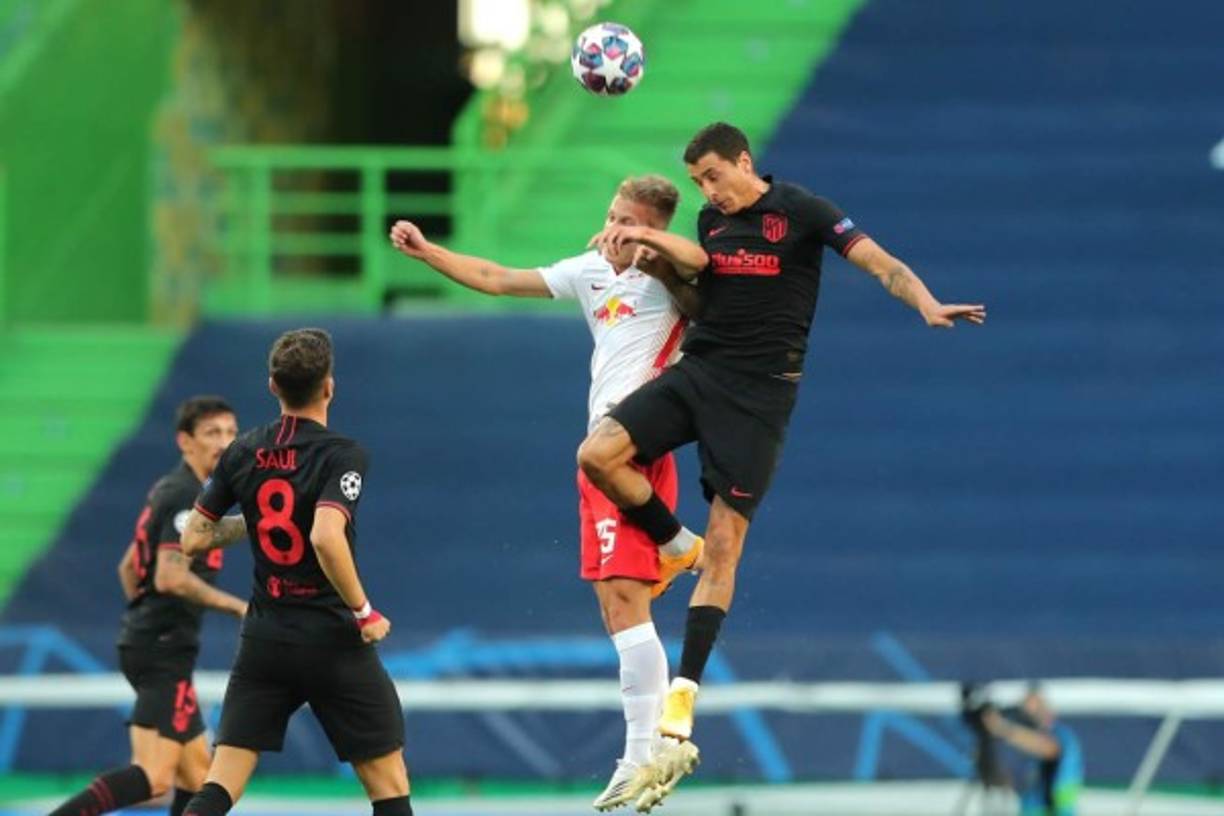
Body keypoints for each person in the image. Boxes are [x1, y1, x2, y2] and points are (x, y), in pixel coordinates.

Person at [577, 122, 987, 786]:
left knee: (729, 544)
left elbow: (880, 262)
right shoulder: (710, 225)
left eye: (713, 176)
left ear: (744, 162)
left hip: (760, 399)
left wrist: (925, 301)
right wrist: (658, 261)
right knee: (597, 453)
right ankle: (673, 545)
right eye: (697, 184)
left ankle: (683, 696)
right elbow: (697, 297)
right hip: (701, 371)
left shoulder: (801, 210)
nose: (709, 193)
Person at [389, 174, 704, 812]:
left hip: (633, 444)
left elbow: (704, 309)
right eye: (611, 213)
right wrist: (430, 253)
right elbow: (499, 277)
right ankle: (642, 747)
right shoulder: (590, 271)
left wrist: (658, 262)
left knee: (624, 600)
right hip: (603, 449)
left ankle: (639, 756)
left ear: (653, 228)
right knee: (615, 606)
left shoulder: (673, 275)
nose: (610, 226)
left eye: (627, 220)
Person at [176, 328, 412, 816]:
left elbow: (194, 537)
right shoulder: (342, 454)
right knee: (388, 788)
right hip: (333, 639)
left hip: (266, 639)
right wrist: (364, 611)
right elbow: (325, 536)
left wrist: (255, 521)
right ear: (329, 386)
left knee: (219, 787)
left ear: (271, 387)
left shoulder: (242, 451)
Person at [47, 396, 246, 816]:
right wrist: (239, 608)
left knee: (198, 777)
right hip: (162, 651)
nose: (225, 443)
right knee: (155, 776)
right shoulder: (185, 494)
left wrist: (143, 619)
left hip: (156, 644)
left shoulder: (181, 490)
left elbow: (127, 567)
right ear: (184, 442)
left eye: (231, 432)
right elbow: (169, 577)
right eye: (212, 433)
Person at [983, 685, 1082, 816]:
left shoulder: (1062, 735)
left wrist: (1001, 728)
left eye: (1036, 705)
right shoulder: (1036, 735)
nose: (1029, 711)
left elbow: (1047, 748)